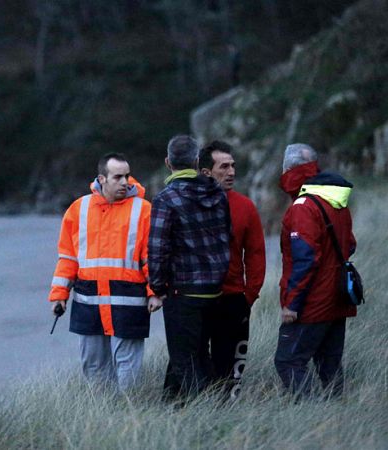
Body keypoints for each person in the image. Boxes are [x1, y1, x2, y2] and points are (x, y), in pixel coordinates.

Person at [48, 153, 161, 391]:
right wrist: (59, 295)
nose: (125, 182)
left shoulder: (143, 210)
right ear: (102, 178)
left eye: (127, 176)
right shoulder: (79, 209)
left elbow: (152, 258)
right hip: (89, 303)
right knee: (94, 368)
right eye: (118, 177)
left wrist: (155, 292)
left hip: (128, 302)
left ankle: (130, 417)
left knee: (128, 369)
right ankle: (103, 419)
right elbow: (68, 257)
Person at [148, 135, 231, 400]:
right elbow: (226, 236)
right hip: (215, 290)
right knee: (195, 352)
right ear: (197, 161)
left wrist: (157, 287)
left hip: (183, 293)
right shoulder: (217, 193)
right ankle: (170, 406)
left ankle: (204, 412)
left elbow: (157, 249)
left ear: (167, 162)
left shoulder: (166, 199)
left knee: (185, 359)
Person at [274, 143, 357, 398]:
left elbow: (305, 259)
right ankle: (338, 416)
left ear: (289, 169)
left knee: (288, 361)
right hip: (338, 299)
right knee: (329, 365)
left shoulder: (303, 206)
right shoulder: (335, 201)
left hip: (313, 302)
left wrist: (292, 303)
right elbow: (350, 244)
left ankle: (312, 413)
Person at [199, 141, 266, 401]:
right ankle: (198, 409)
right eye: (224, 167)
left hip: (233, 298)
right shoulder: (193, 204)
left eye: (233, 166)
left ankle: (228, 410)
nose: (231, 172)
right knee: (198, 360)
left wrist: (250, 295)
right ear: (207, 172)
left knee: (230, 366)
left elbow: (256, 253)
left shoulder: (245, 206)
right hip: (198, 297)